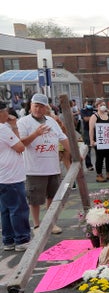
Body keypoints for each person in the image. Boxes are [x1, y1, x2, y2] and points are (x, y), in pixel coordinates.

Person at [17, 93, 69, 234]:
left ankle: (50, 223)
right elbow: (22, 144)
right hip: (34, 168)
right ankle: (37, 225)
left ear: (46, 108)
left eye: (41, 107)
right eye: (35, 106)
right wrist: (35, 134)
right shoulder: (23, 122)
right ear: (30, 106)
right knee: (35, 200)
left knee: (52, 197)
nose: (38, 109)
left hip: (53, 166)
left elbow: (63, 138)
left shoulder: (51, 121)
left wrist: (74, 154)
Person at [0, 104, 31, 252]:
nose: (8, 113)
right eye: (6, 110)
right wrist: (13, 126)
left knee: (6, 209)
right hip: (11, 174)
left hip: (3, 174)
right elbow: (20, 146)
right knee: (18, 208)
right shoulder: (3, 128)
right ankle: (22, 239)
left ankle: (8, 240)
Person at [89, 98, 109, 183]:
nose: (103, 107)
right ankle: (99, 174)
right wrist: (91, 140)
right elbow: (91, 129)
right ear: (97, 106)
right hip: (99, 140)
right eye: (101, 105)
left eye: (104, 105)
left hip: (108, 141)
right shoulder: (94, 116)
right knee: (99, 157)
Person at [80, 99, 95, 171]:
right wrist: (95, 117)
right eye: (87, 103)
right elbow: (85, 119)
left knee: (98, 147)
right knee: (88, 148)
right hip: (87, 130)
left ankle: (100, 163)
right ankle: (89, 165)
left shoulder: (94, 110)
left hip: (96, 130)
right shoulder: (83, 110)